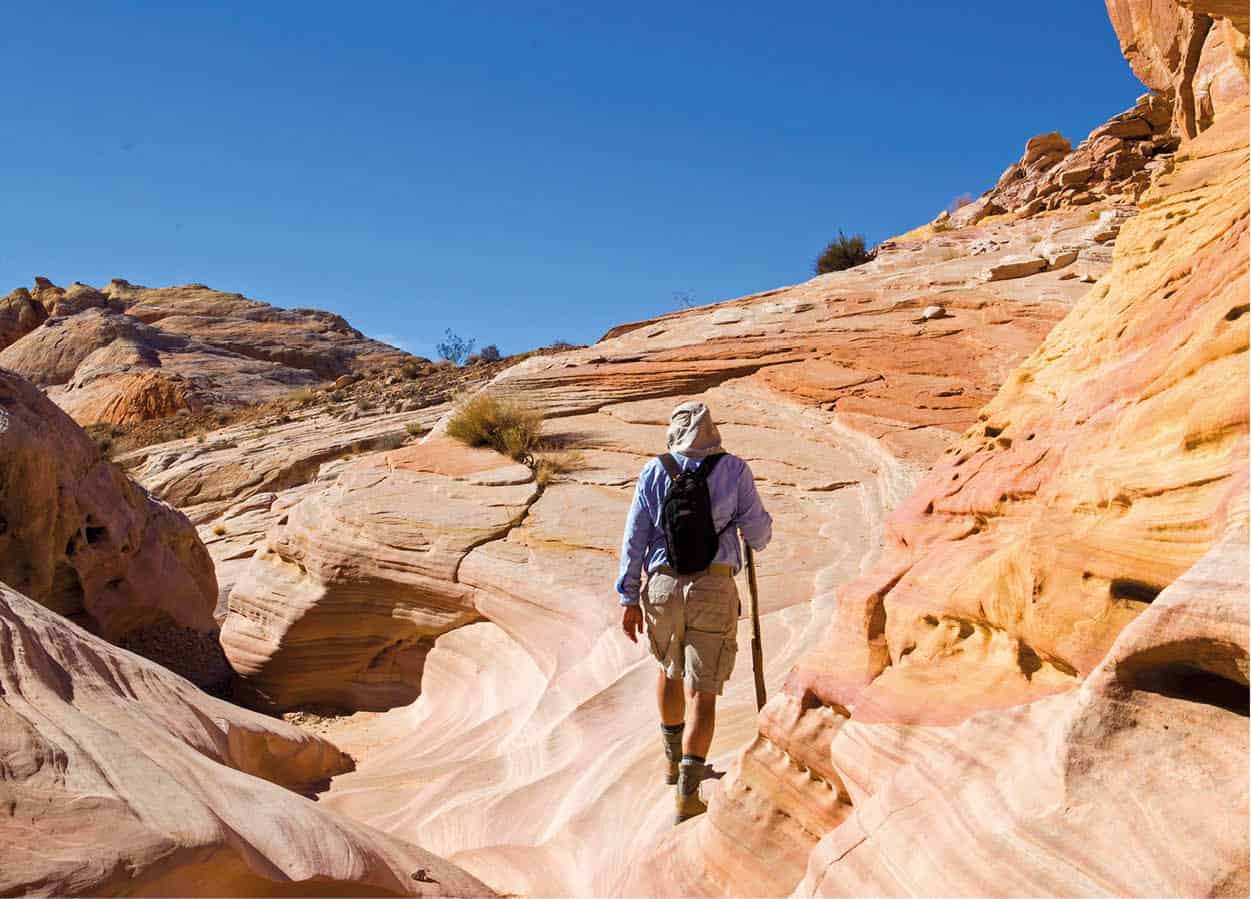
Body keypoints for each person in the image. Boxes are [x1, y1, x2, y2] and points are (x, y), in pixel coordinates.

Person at [616, 400, 772, 824]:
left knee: (669, 670)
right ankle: (688, 788)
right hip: (713, 584)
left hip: (664, 585)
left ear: (674, 431)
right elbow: (757, 533)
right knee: (703, 689)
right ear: (712, 430)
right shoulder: (734, 468)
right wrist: (752, 530)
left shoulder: (654, 470)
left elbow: (635, 537)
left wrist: (629, 596)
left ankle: (671, 762)